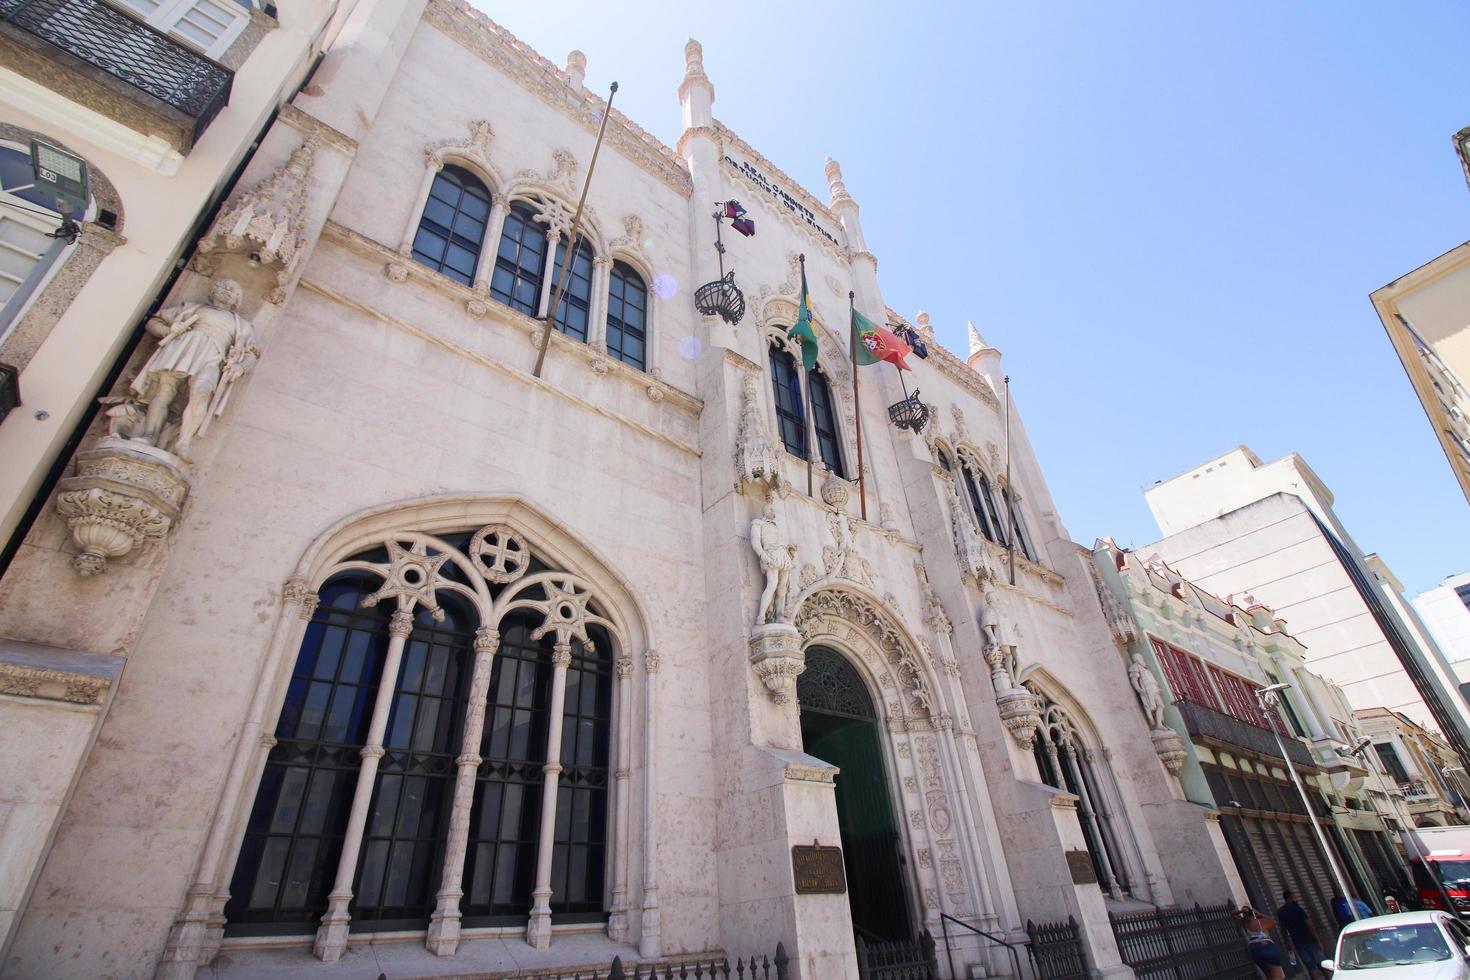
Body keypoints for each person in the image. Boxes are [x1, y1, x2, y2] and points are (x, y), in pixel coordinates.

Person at [1277, 890, 1327, 979]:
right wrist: (1318, 940)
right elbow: (1309, 925)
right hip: (1310, 940)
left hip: (1298, 942)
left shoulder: (1281, 912)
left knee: (1310, 965)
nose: (1296, 899)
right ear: (1290, 898)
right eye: (1295, 897)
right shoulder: (1298, 909)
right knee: (1322, 963)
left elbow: (1283, 928)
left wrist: (1287, 941)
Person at [1236, 906, 1285, 980]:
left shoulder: (1244, 923)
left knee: (1268, 976)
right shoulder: (1261, 922)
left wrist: (1240, 911)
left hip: (1255, 950)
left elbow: (1232, 914)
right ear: (1253, 913)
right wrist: (1259, 914)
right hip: (1267, 947)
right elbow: (1272, 921)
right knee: (1278, 976)